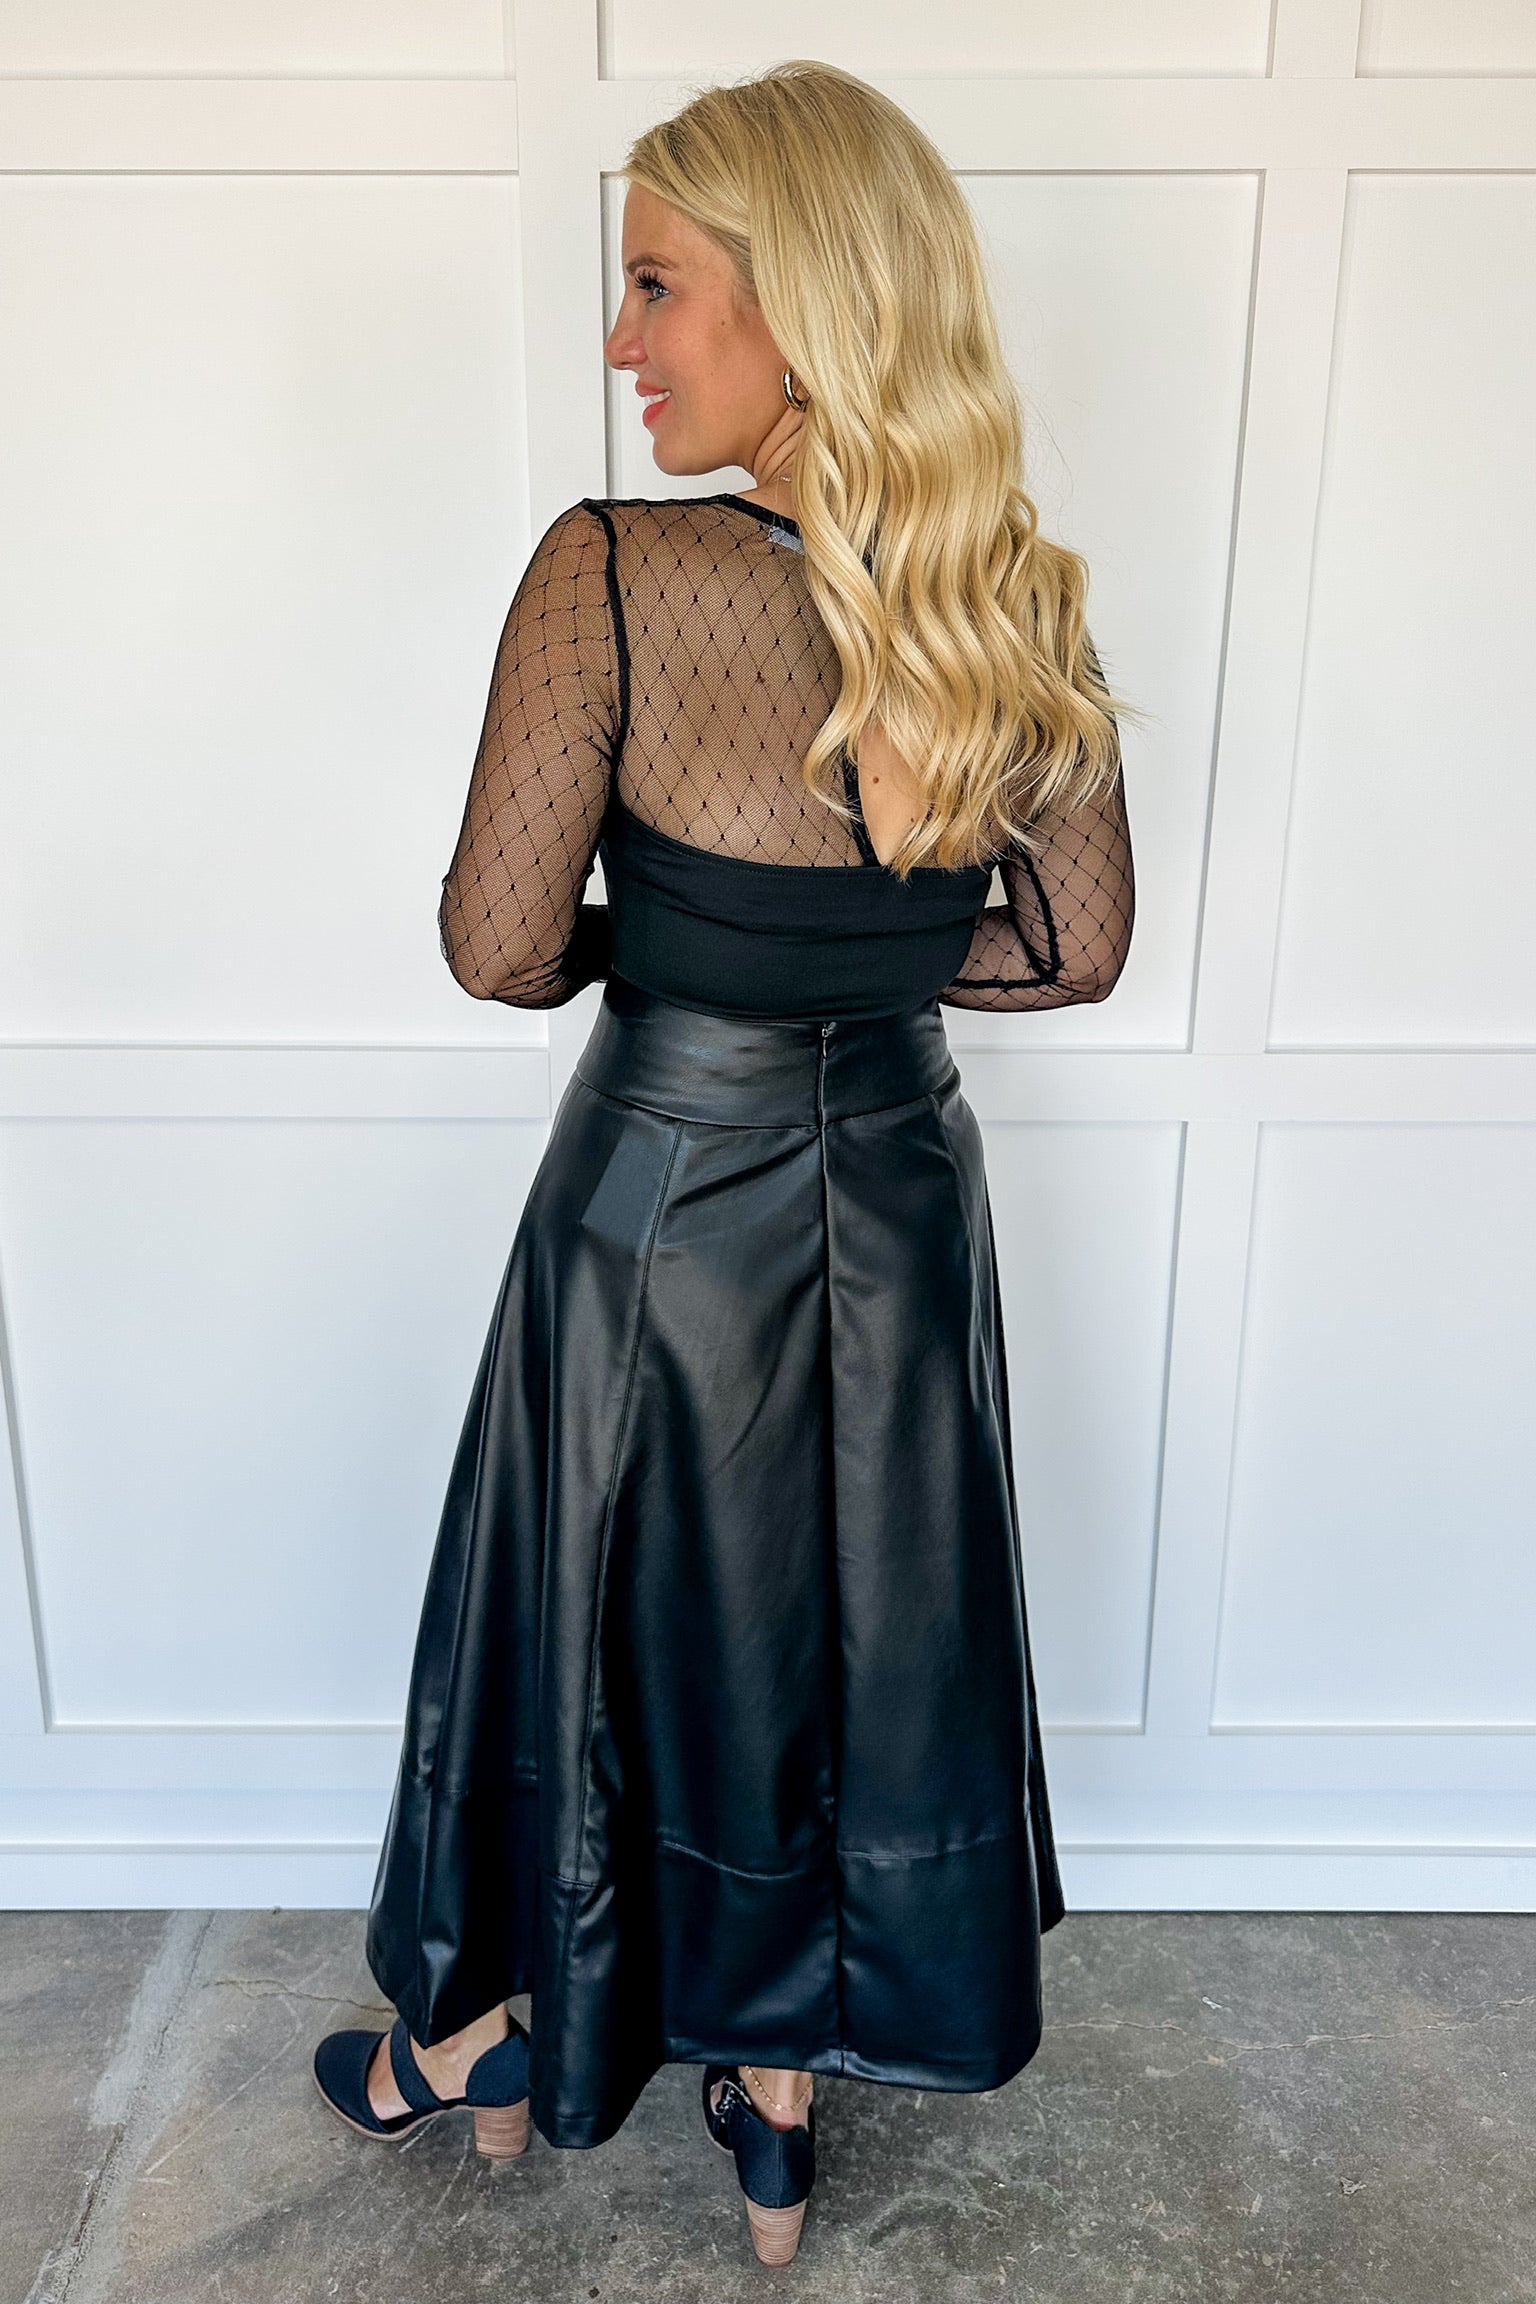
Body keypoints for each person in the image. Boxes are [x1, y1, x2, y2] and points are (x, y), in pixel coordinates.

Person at [313, 57, 1136, 2268]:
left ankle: (489, 2040)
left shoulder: (611, 573)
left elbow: (501, 946)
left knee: (598, 1618)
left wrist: (676, 949)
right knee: (842, 1627)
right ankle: (778, 2097)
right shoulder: (1018, 595)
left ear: (807, 300)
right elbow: (1072, 948)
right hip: (902, 1200)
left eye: (659, 285)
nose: (623, 340)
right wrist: (846, 951)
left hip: (657, 1198)